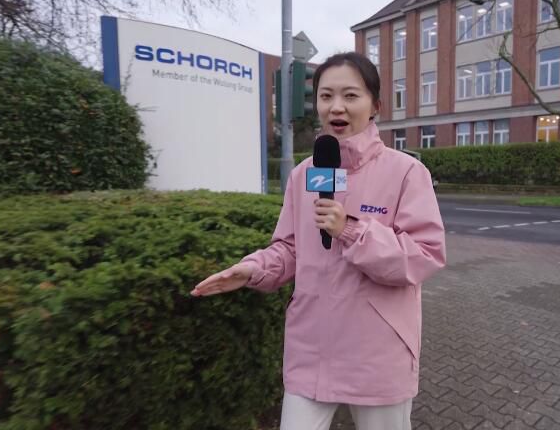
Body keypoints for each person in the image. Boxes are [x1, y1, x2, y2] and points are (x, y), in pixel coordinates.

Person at [190, 52, 446, 430]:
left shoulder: (407, 172)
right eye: (326, 96)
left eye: (350, 95)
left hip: (378, 351)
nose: (336, 107)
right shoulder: (303, 174)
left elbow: (424, 255)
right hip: (312, 348)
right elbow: (290, 248)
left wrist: (351, 231)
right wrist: (253, 269)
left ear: (375, 105)